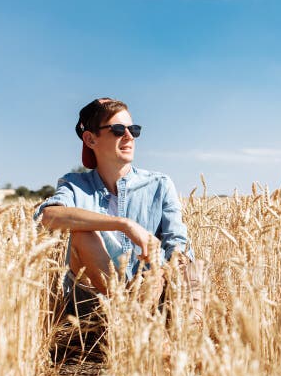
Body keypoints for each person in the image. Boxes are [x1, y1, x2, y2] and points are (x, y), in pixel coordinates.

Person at [35, 97, 203, 323]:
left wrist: (158, 274)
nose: (129, 136)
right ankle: (130, 319)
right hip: (94, 303)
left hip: (152, 293)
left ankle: (177, 337)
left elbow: (177, 244)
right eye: (117, 129)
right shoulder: (75, 185)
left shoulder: (159, 184)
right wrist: (124, 224)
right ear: (90, 139)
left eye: (133, 129)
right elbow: (47, 216)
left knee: (186, 265)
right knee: (82, 233)